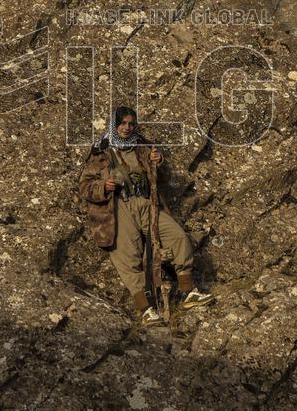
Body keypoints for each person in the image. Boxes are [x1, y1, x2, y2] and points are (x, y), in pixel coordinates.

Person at [78, 106, 213, 326]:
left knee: (177, 236)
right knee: (127, 254)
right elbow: (84, 187)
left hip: (147, 203)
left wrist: (157, 163)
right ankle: (146, 309)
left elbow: (163, 179)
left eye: (131, 124)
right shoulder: (100, 152)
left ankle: (189, 292)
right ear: (114, 124)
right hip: (118, 205)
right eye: (122, 123)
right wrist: (103, 186)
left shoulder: (143, 146)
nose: (126, 128)